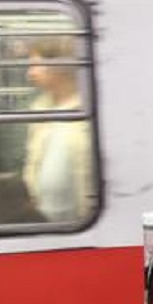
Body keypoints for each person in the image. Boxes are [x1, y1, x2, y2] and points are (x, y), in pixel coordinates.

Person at [23, 38, 94, 222]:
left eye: (35, 65)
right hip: (45, 216)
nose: (30, 73)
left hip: (81, 218)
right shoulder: (40, 107)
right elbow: (32, 161)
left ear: (57, 66)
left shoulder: (87, 107)